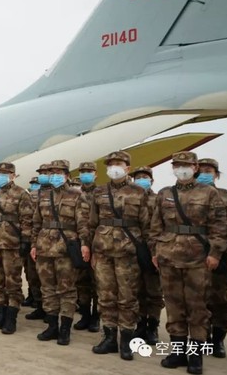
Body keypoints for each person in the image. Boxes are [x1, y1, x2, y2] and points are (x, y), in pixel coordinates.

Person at [149, 152, 227, 374]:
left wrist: (215, 254)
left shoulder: (209, 193)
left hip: (197, 259)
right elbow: (156, 225)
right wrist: (155, 251)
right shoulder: (165, 193)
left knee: (197, 308)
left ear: (195, 167)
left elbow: (219, 227)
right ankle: (177, 353)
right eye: (177, 165)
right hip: (168, 258)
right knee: (174, 307)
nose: (181, 169)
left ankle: (195, 358)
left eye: (186, 165)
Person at [89, 151, 149, 360]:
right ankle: (109, 338)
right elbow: (92, 223)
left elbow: (147, 225)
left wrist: (150, 253)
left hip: (128, 253)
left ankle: (126, 340)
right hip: (103, 251)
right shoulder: (99, 192)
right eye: (111, 164)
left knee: (127, 297)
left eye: (118, 163)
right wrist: (91, 249)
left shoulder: (139, 192)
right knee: (106, 296)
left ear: (127, 168)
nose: (114, 167)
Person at [31, 160, 90, 345]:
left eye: (58, 172)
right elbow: (36, 223)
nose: (54, 175)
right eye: (52, 172)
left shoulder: (77, 196)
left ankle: (65, 328)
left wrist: (85, 244)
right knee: (47, 289)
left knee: (66, 290)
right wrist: (34, 244)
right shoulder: (44, 196)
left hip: (66, 249)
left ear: (66, 175)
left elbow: (83, 224)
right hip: (44, 248)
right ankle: (52, 326)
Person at [0, 162, 33, 334]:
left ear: (12, 175)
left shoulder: (21, 194)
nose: (1, 176)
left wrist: (26, 241)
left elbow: (27, 219)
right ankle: (0, 314)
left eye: (5, 173)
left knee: (12, 282)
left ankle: (11, 318)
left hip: (12, 245)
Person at [196, 158, 227, 358]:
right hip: (193, 256)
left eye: (208, 170)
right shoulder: (187, 196)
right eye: (200, 170)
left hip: (221, 256)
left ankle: (218, 340)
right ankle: (202, 339)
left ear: (216, 174)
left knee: (219, 299)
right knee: (197, 300)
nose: (204, 173)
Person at [130, 166, 164, 345]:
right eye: (138, 177)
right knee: (136, 290)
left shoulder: (158, 199)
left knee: (154, 291)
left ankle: (153, 326)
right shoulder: (127, 198)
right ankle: (140, 324)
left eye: (144, 177)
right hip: (131, 248)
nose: (141, 179)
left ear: (151, 180)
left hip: (152, 249)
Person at [74, 161, 100, 332]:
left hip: (98, 243)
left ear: (95, 173)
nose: (86, 174)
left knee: (98, 283)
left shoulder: (102, 193)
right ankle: (84, 315)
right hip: (77, 242)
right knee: (81, 282)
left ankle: (96, 318)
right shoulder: (73, 194)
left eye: (89, 171)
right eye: (83, 171)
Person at [24, 176, 45, 321]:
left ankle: (52, 312)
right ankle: (39, 306)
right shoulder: (30, 197)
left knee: (51, 280)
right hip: (34, 241)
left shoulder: (70, 194)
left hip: (57, 244)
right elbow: (28, 219)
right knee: (33, 275)